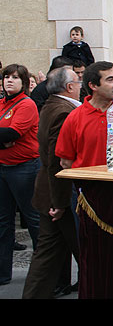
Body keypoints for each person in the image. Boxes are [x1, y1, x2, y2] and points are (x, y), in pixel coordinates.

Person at [22, 67, 82, 298]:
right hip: (60, 195)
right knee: (87, 254)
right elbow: (57, 161)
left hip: (52, 193)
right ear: (68, 87)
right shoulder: (63, 111)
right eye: (77, 82)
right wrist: (59, 202)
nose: (80, 86)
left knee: (46, 254)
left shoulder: (52, 106)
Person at [0, 64, 41, 286]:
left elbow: (13, 132)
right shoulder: (1, 104)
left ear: (23, 82)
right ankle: (2, 273)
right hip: (3, 167)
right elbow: (5, 135)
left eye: (15, 77)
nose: (9, 81)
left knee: (34, 221)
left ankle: (42, 274)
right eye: (6, 77)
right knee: (3, 222)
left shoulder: (27, 104)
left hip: (24, 168)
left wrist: (7, 138)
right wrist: (4, 140)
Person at [55, 61, 113, 169]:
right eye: (110, 79)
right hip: (88, 183)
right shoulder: (74, 118)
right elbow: (66, 161)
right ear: (93, 85)